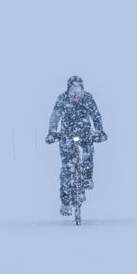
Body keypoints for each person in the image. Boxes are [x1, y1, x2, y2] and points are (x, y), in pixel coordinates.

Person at [45, 76, 107, 216]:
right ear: (68, 91)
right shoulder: (62, 99)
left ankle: (87, 178)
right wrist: (52, 132)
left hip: (85, 132)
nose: (76, 95)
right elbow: (55, 116)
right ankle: (65, 203)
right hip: (66, 134)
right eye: (73, 91)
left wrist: (100, 130)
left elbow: (96, 115)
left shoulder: (88, 99)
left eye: (79, 91)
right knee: (66, 167)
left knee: (88, 152)